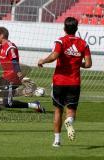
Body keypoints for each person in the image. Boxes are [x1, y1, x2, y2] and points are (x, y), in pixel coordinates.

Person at [38, 17, 92, 147]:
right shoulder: (83, 44)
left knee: (58, 111)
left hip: (59, 81)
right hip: (74, 82)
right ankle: (69, 120)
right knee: (71, 110)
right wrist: (79, 63)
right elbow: (89, 64)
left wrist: (43, 61)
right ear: (76, 29)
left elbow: (54, 55)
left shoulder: (60, 41)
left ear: (64, 28)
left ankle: (57, 141)